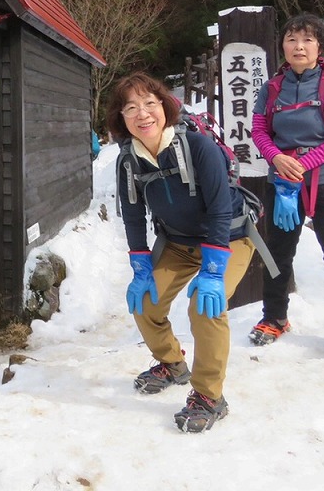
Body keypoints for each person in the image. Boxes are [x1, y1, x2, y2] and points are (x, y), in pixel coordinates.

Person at [108, 74, 256, 433]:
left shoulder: (198, 147)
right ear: (121, 118)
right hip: (177, 243)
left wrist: (213, 270)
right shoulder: (129, 161)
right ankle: (172, 364)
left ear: (165, 106)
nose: (142, 114)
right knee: (145, 302)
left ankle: (209, 396)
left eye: (150, 103)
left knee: (205, 307)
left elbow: (220, 208)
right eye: (131, 108)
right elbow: (132, 215)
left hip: (229, 239)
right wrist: (140, 263)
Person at [248, 13, 324, 352]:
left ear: (319, 46)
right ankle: (274, 317)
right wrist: (276, 158)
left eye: (307, 40)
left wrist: (303, 163)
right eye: (291, 39)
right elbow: (259, 130)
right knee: (278, 251)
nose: (299, 46)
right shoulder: (271, 88)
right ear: (282, 46)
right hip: (283, 181)